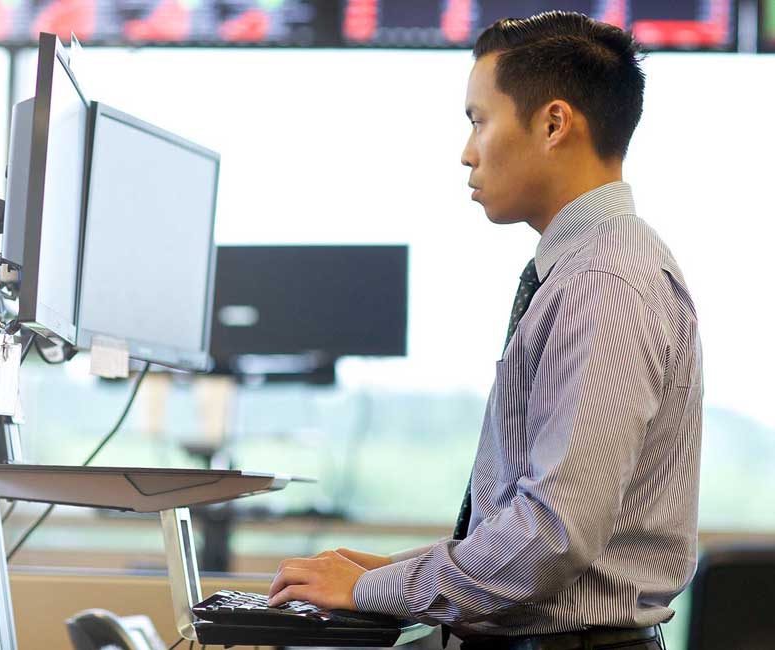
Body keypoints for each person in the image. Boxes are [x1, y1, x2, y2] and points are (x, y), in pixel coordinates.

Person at [264, 12, 703, 650]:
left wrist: (375, 589)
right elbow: (534, 519)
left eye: (479, 121)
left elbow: (552, 538)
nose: (467, 152)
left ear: (553, 124)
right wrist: (391, 572)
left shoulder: (603, 283)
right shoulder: (589, 269)